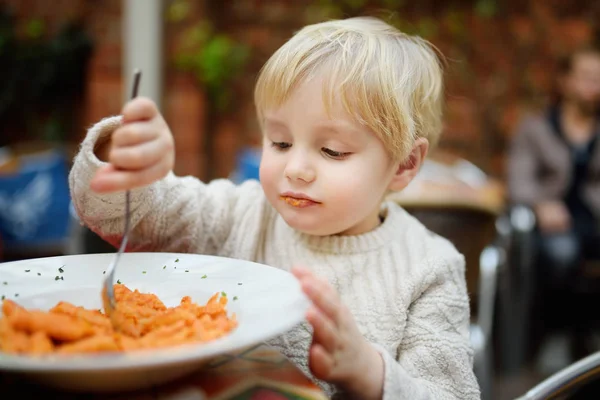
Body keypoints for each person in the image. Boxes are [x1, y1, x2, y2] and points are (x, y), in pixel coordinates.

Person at [70, 17, 479, 399]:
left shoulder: (430, 267)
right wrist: (121, 159)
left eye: (332, 150)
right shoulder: (244, 213)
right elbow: (121, 215)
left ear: (404, 164)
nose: (296, 169)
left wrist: (368, 372)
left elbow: (450, 392)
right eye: (280, 143)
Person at [508, 46, 600, 362]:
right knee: (561, 255)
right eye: (587, 77)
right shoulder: (535, 128)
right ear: (565, 81)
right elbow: (518, 181)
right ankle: (561, 336)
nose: (594, 85)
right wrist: (540, 204)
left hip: (593, 220)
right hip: (554, 222)